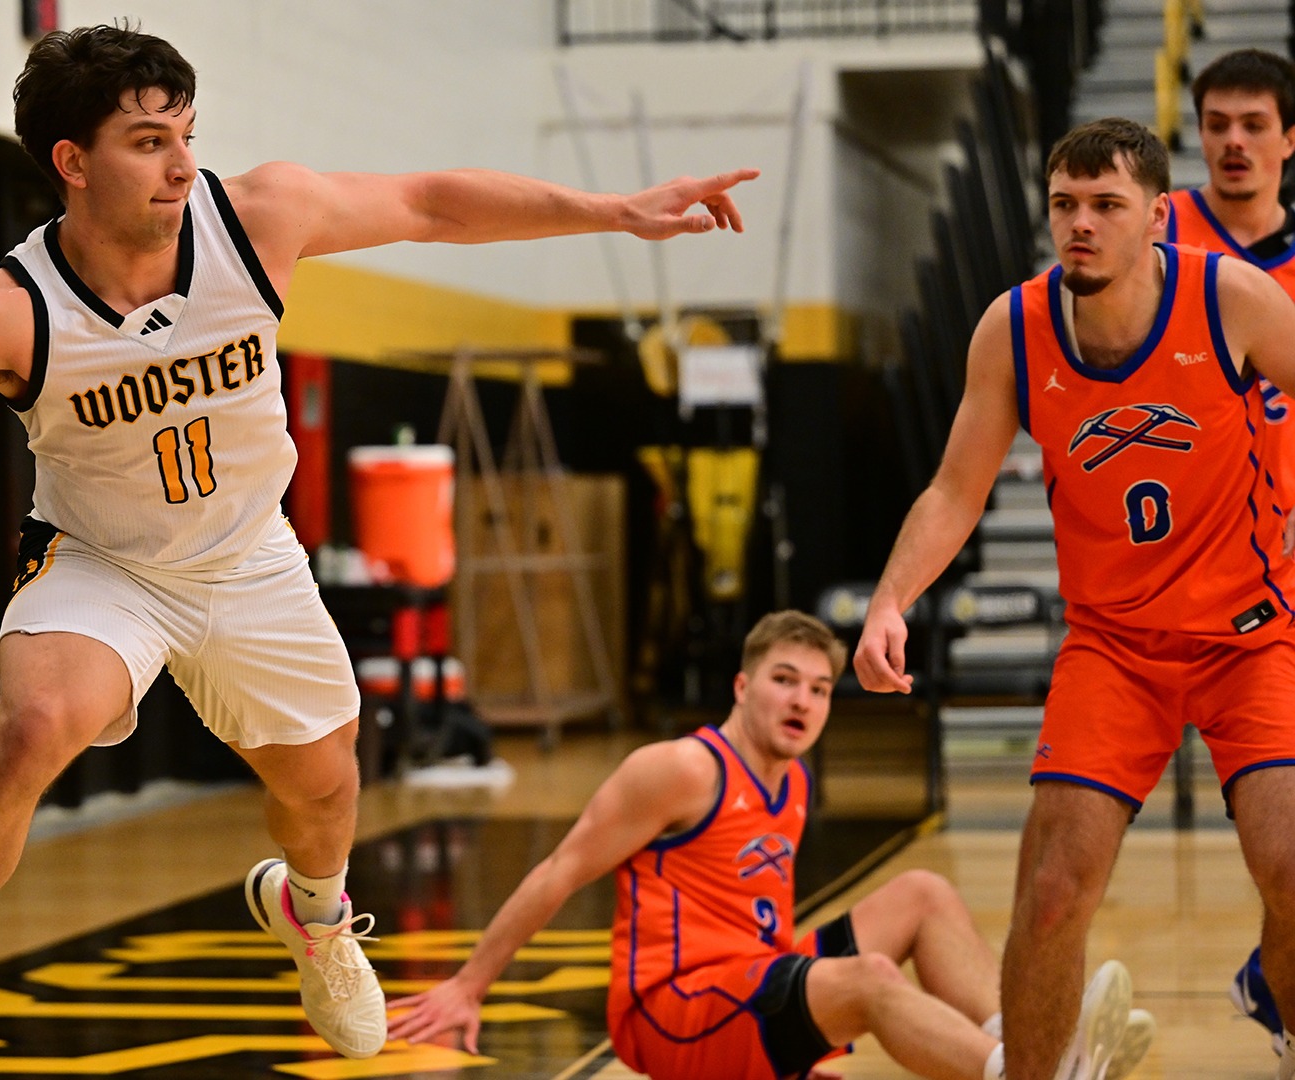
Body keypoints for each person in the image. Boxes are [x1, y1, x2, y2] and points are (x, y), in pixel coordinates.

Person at [0, 23, 761, 1080]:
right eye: (147, 141)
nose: (178, 165)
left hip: (251, 555)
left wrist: (616, 210)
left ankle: (313, 917)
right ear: (71, 159)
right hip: (104, 562)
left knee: (323, 794)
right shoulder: (10, 306)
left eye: (185, 136)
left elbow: (431, 204)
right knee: (35, 726)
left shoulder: (259, 218)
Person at [854, 116, 1295, 1080]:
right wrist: (890, 601)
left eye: (1105, 205)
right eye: (1064, 205)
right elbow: (954, 491)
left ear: (1158, 218)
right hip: (1114, 647)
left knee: (1292, 867)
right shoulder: (1013, 328)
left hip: (1248, 639)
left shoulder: (1229, 298)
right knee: (1052, 890)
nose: (1080, 225)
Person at [386, 611, 1150, 1080]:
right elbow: (558, 871)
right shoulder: (681, 770)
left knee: (923, 894)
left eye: (819, 688)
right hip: (671, 1013)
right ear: (742, 687)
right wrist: (468, 986)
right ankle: (1031, 1073)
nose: (803, 700)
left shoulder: (792, 778)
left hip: (752, 982)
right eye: (784, 680)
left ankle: (1030, 1049)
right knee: (873, 979)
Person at [1166, 47, 1295, 1067]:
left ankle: (1274, 975)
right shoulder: (1151, 232)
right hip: (1194, 581)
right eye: (1217, 123)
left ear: (1290, 138)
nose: (1235, 142)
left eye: (1255, 123)